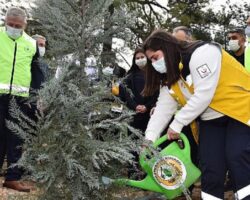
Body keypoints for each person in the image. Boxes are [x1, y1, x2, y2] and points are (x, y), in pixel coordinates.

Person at [142, 29, 250, 199]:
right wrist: (149, 139)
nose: (154, 63)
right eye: (151, 61)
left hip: (239, 112)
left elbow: (204, 94)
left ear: (166, 47)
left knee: (237, 156)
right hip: (210, 120)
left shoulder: (203, 52)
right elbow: (162, 109)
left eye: (155, 57)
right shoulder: (171, 77)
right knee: (210, 168)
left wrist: (177, 123)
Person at [0, 7, 44, 192]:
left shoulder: (31, 44)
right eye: (10, 25)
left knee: (16, 138)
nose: (14, 28)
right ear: (5, 22)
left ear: (25, 25)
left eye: (18, 25)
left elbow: (36, 73)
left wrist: (36, 96)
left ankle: (12, 178)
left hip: (20, 99)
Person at [119, 48, 158, 133]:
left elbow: (157, 94)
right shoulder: (129, 76)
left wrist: (147, 107)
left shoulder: (155, 75)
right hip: (133, 114)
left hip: (150, 114)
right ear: (134, 60)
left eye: (142, 57)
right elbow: (126, 94)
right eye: (137, 58)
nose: (140, 59)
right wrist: (135, 106)